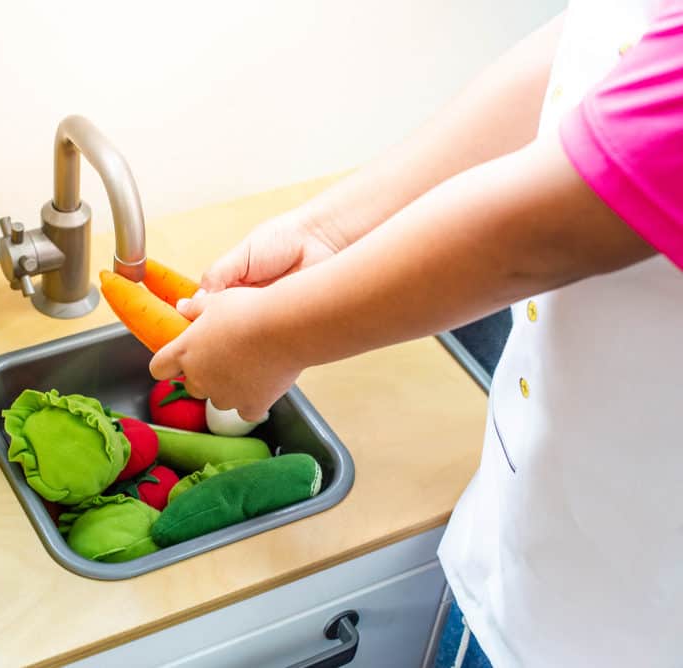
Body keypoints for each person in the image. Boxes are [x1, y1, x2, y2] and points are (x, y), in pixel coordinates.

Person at [150, 0, 683, 665]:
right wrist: (326, 233)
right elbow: (595, 48)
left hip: (623, 622)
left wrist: (275, 339)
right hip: (527, 551)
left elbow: (548, 229)